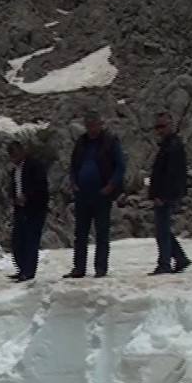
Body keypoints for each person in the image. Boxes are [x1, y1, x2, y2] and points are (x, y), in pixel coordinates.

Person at [65, 114, 126, 278]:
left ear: (100, 124)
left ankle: (100, 268)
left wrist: (111, 185)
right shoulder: (81, 142)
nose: (91, 129)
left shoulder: (109, 141)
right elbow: (73, 164)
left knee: (102, 232)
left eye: (94, 125)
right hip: (82, 194)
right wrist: (73, 182)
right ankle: (79, 268)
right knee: (80, 234)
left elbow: (120, 165)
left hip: (101, 194)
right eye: (88, 125)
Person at [147, 112, 191, 275]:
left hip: (166, 194)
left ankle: (165, 263)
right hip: (166, 193)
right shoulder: (169, 145)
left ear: (171, 125)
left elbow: (171, 174)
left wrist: (162, 195)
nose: (160, 130)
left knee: (162, 230)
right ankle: (180, 258)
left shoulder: (172, 146)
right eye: (157, 127)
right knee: (163, 229)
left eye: (163, 126)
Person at [7, 140, 50, 281]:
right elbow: (13, 187)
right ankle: (21, 268)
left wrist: (27, 196)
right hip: (20, 209)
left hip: (35, 208)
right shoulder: (14, 170)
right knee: (18, 241)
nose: (15, 158)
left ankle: (29, 271)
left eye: (16, 154)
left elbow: (41, 186)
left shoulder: (35, 165)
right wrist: (14, 199)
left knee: (31, 241)